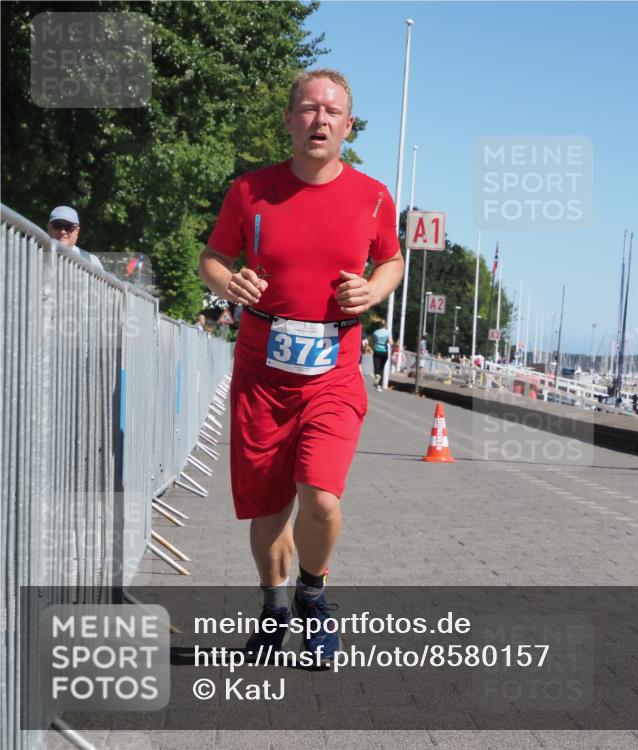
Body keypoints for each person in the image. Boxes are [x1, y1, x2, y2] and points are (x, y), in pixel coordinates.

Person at [198, 68, 403, 664]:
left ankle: (313, 598)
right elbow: (211, 258)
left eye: (332, 111)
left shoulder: (372, 197)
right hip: (262, 374)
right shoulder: (250, 192)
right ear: (289, 120)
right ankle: (274, 607)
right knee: (267, 511)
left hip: (333, 370)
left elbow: (391, 261)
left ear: (348, 125)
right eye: (308, 109)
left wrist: (373, 290)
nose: (320, 120)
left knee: (320, 496)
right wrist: (229, 280)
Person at [47, 206, 104, 270]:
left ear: (77, 231)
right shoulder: (35, 254)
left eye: (69, 227)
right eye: (57, 225)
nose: (62, 231)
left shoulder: (92, 261)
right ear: (49, 227)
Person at [370, 317, 390, 391]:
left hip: (377, 350)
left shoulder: (375, 332)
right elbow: (391, 342)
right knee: (381, 368)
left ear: (379, 325)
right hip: (385, 352)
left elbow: (372, 342)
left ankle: (377, 382)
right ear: (385, 325)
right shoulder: (388, 332)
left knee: (376, 367)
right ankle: (379, 385)